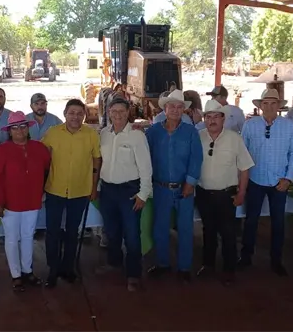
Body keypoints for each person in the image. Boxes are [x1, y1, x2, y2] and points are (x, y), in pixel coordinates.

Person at [41, 99, 102, 288]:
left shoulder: (91, 134)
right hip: (55, 190)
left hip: (80, 191)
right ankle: (53, 268)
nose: (75, 117)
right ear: (65, 114)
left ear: (84, 115)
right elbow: (42, 157)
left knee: (72, 232)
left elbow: (96, 160)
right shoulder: (52, 133)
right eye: (72, 113)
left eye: (79, 113)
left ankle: (68, 268)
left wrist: (93, 187)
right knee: (52, 231)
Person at [0, 111, 50, 291]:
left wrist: (42, 190)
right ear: (9, 131)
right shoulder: (2, 150)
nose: (19, 131)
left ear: (28, 128)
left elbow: (47, 169)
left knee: (28, 236)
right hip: (10, 203)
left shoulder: (39, 148)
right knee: (12, 238)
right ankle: (16, 274)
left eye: (23, 126)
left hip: (32, 201)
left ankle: (27, 270)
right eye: (15, 128)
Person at [239, 89, 293, 276]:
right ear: (260, 106)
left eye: (273, 103)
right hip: (255, 179)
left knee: (278, 222)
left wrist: (288, 178)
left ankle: (276, 259)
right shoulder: (250, 125)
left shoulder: (289, 125)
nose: (269, 107)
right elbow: (242, 152)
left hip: (279, 180)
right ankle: (246, 256)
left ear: (279, 106)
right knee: (251, 220)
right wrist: (243, 179)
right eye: (266, 103)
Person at [146, 90, 203, 282]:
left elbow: (196, 158)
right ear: (165, 108)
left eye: (180, 107)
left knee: (185, 228)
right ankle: (163, 264)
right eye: (172, 106)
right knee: (160, 227)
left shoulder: (190, 132)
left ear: (184, 110)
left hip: (184, 187)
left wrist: (190, 182)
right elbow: (145, 156)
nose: (176, 110)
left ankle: (184, 267)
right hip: (160, 187)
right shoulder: (153, 132)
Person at [98, 97, 152, 291]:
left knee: (132, 234)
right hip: (107, 190)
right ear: (109, 113)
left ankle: (133, 273)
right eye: (114, 111)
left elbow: (146, 167)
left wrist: (143, 193)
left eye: (122, 111)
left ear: (128, 112)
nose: (118, 115)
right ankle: (114, 264)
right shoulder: (104, 134)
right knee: (111, 232)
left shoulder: (137, 136)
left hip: (129, 191)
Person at [196, 100, 253, 286]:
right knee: (208, 231)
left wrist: (242, 192)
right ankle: (208, 265)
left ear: (223, 119)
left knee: (228, 233)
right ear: (204, 119)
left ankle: (229, 269)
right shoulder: (198, 137)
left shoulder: (234, 139)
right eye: (208, 117)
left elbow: (245, 168)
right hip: (203, 193)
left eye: (216, 116)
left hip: (226, 194)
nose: (212, 120)